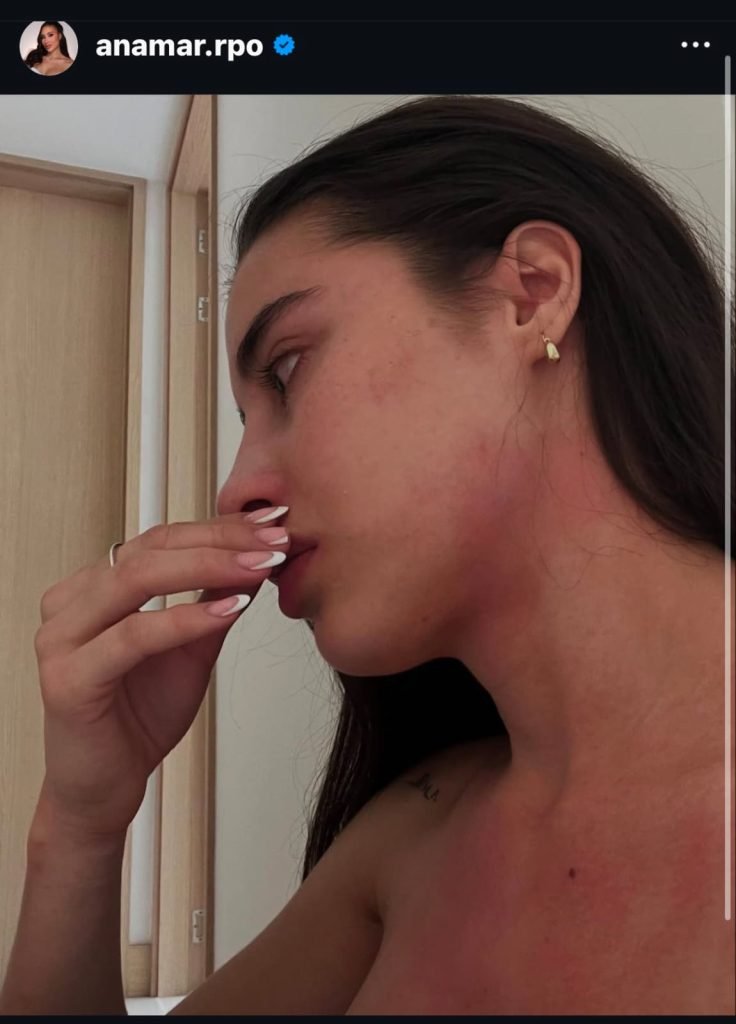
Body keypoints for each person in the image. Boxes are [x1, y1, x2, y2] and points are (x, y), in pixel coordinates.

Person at [0, 95, 733, 1016]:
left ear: (531, 291)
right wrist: (80, 828)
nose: (237, 489)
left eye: (288, 369)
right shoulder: (410, 843)